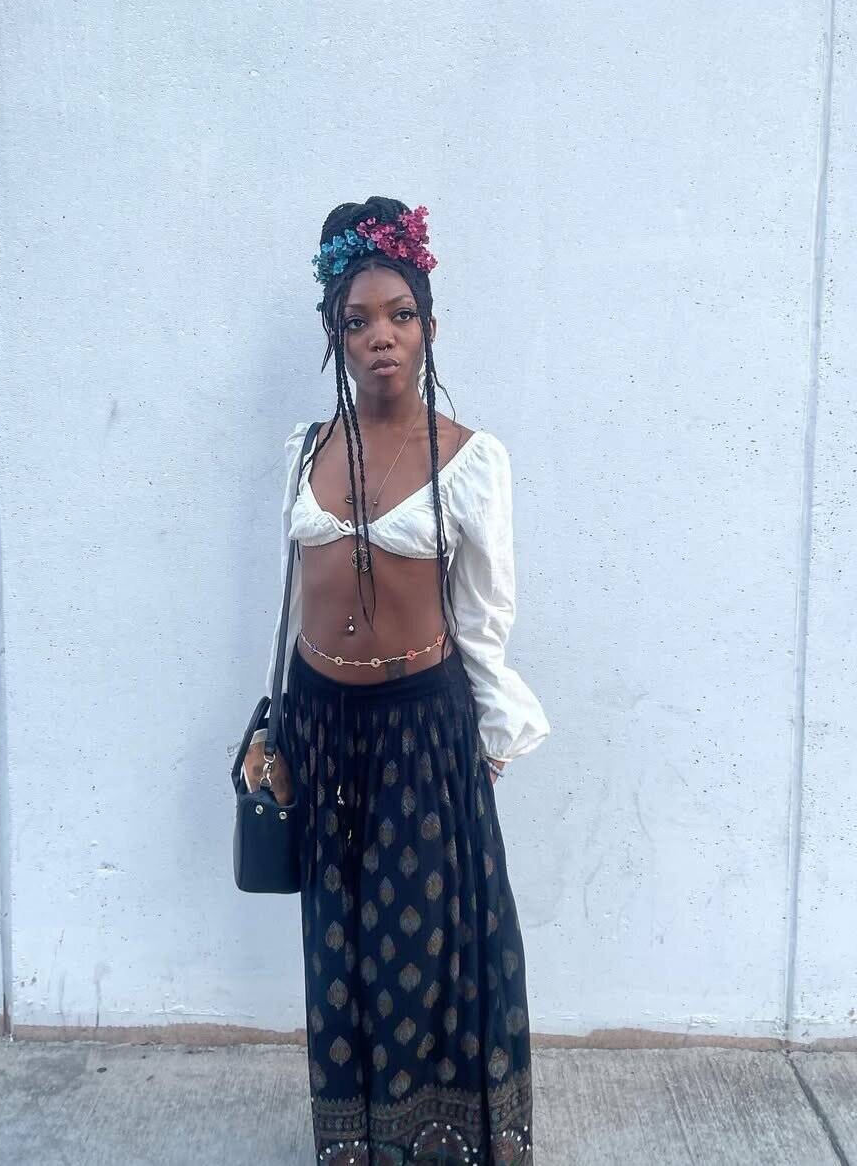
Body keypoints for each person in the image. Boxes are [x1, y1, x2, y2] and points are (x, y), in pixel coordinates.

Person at [265, 197, 551, 1164]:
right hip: (319, 721)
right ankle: (356, 1144)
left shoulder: (469, 460)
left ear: (429, 324)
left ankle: (441, 1140)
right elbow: (292, 595)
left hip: (420, 725)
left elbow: (485, 610)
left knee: (429, 944)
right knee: (339, 943)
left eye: (400, 314)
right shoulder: (305, 449)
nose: (380, 336)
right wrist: (276, 729)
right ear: (334, 334)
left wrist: (492, 727)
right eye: (358, 321)